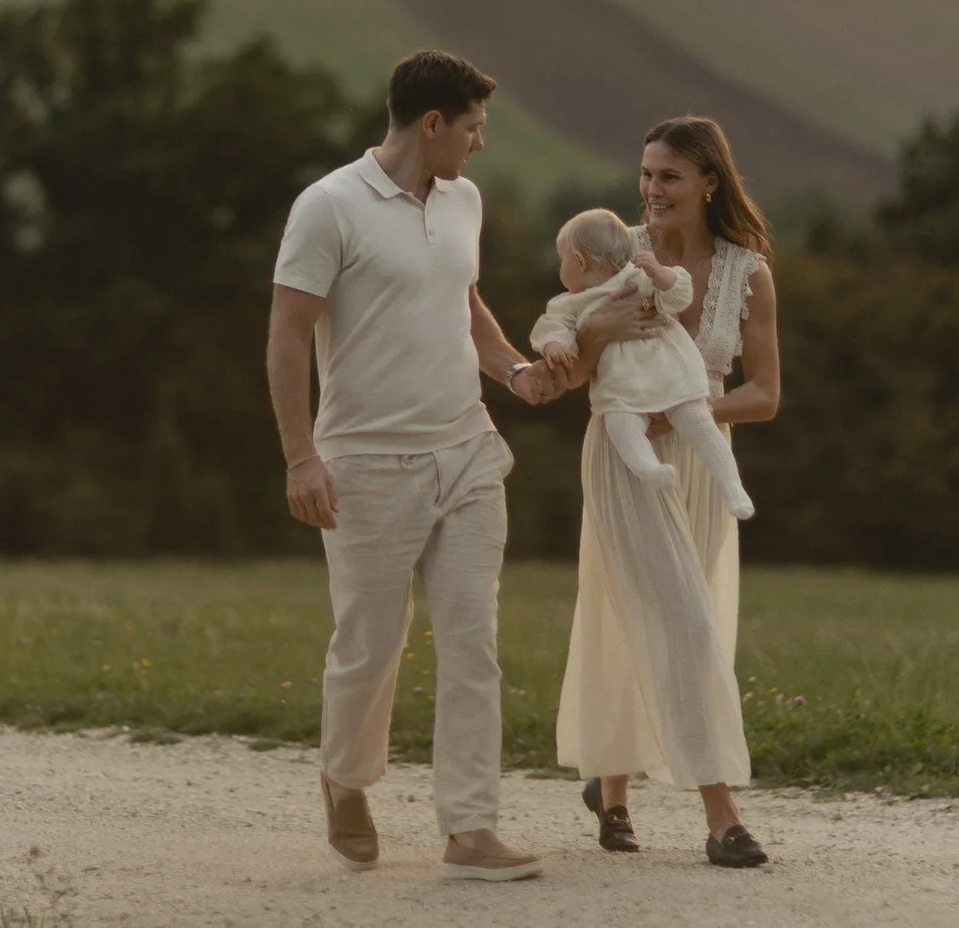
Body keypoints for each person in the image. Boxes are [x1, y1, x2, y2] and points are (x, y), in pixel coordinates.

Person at [265, 49, 555, 882]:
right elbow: (288, 333)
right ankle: (345, 778)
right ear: (432, 124)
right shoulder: (329, 206)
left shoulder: (464, 199)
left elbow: (464, 304)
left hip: (464, 449)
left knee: (473, 638)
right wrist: (299, 457)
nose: (480, 144)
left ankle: (470, 826)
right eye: (473, 128)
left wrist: (515, 369)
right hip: (365, 464)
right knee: (370, 644)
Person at [540, 115, 783, 870]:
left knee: (659, 614)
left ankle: (610, 789)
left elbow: (766, 393)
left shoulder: (748, 272)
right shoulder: (618, 260)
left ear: (709, 181)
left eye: (669, 176)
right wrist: (599, 334)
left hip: (701, 460)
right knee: (680, 618)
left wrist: (684, 410)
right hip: (623, 460)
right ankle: (722, 814)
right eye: (646, 174)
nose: (652, 190)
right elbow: (571, 372)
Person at [531, 208, 755, 519]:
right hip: (624, 388)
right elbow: (553, 326)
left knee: (699, 422)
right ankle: (649, 468)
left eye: (562, 260)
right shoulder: (569, 303)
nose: (561, 268)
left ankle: (732, 486)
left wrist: (660, 274)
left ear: (580, 262)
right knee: (621, 424)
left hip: (669, 374)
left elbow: (678, 296)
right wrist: (555, 345)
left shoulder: (638, 279)